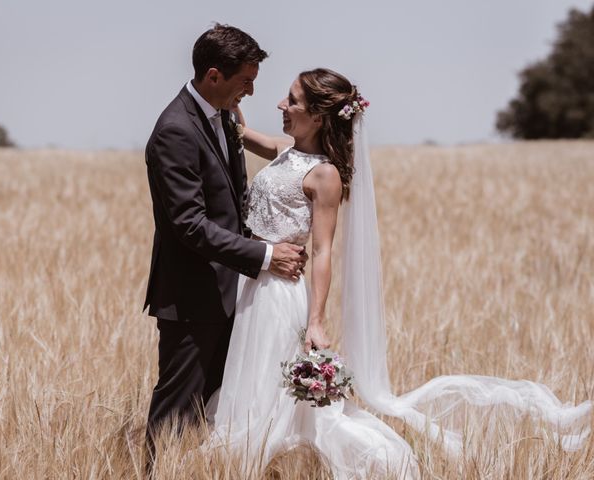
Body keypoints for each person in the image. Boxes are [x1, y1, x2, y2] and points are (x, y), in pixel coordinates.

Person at [205, 68, 592, 479]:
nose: (282, 105)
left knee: (269, 385)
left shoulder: (325, 175)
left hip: (280, 293)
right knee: (248, 378)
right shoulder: (285, 150)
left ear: (318, 116)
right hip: (253, 281)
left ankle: (264, 459)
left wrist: (315, 319)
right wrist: (232, 97)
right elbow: (239, 133)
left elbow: (321, 252)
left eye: (292, 100)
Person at [142, 24, 308, 464]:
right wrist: (267, 256)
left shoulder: (223, 118)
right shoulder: (175, 130)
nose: (252, 92)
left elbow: (233, 202)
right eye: (245, 82)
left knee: (217, 408)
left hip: (233, 293)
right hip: (192, 297)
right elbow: (189, 225)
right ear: (213, 76)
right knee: (177, 408)